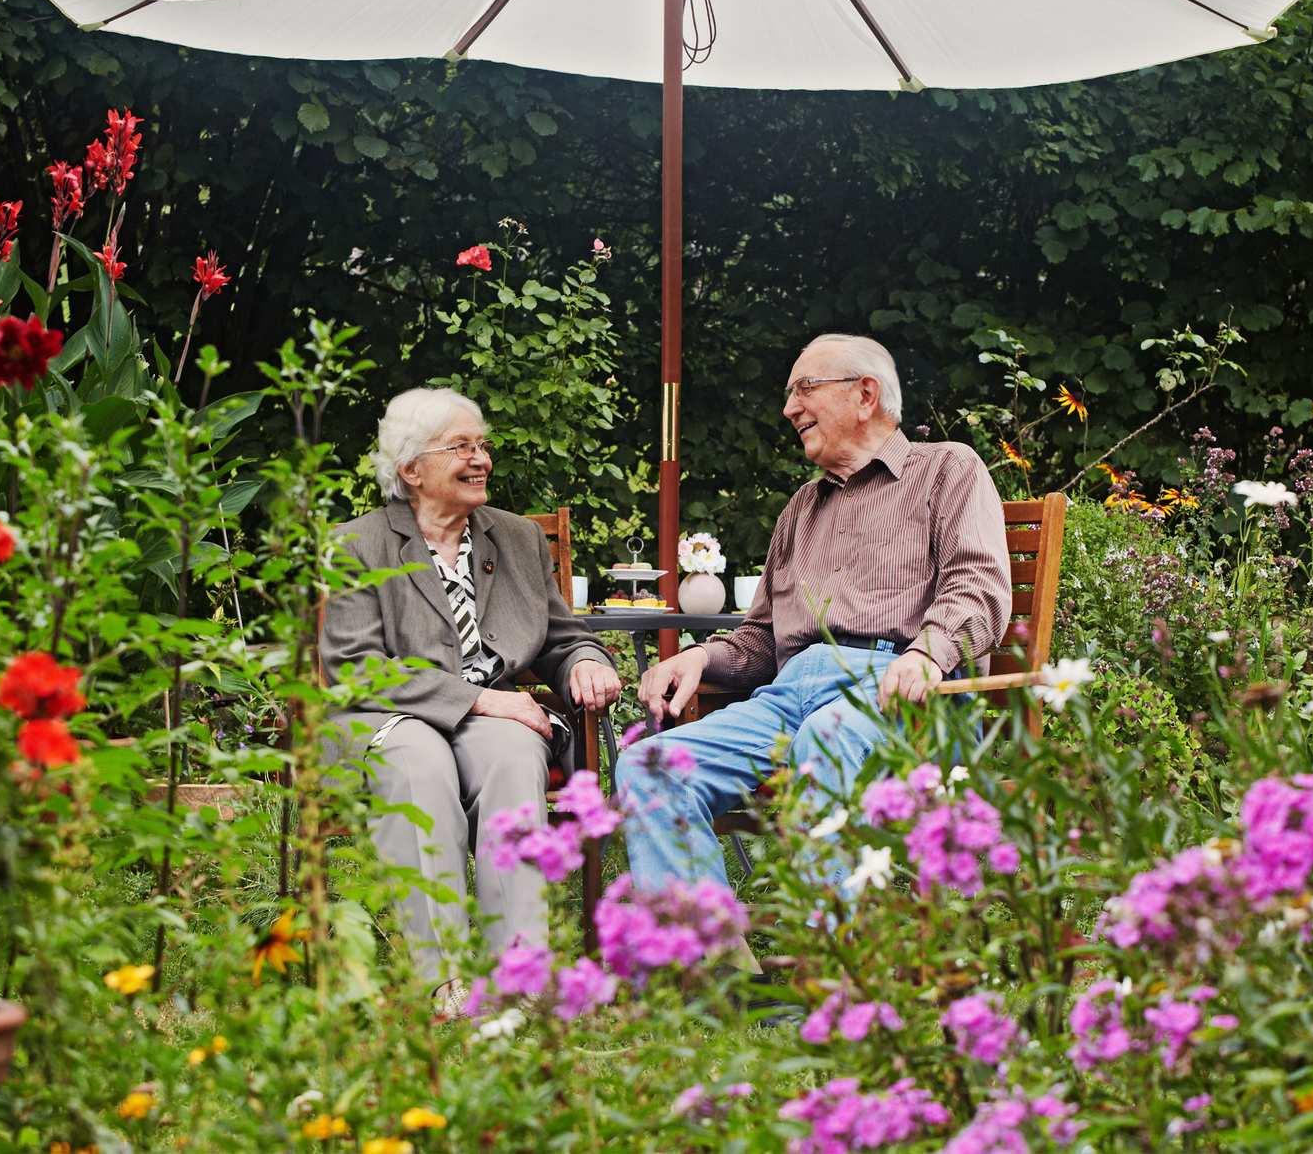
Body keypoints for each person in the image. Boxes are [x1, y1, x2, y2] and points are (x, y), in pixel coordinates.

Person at [616, 333, 1010, 893]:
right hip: (791, 696)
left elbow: (979, 586)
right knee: (648, 767)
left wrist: (927, 652)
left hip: (903, 693)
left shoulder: (947, 470)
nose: (789, 407)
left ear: (865, 395)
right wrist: (700, 657)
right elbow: (761, 638)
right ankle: (708, 962)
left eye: (804, 388)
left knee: (825, 739)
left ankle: (832, 965)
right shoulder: (803, 507)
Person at [319, 386, 621, 994]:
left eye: (482, 445)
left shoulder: (515, 538)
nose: (480, 458)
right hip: (388, 716)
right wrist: (478, 698)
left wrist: (587, 660)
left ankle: (519, 978)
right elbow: (354, 666)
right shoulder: (357, 545)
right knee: (418, 761)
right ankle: (445, 984)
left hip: (489, 721)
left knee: (512, 752)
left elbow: (562, 635)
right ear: (410, 469)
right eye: (460, 446)